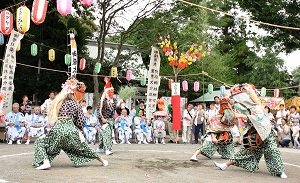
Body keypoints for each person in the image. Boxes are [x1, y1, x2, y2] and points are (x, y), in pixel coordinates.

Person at [32, 77, 108, 170]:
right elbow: (81, 121)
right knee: (84, 147)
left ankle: (46, 161)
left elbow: (52, 120)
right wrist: (78, 129)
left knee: (39, 142)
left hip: (58, 130)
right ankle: (103, 161)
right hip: (71, 130)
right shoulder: (76, 105)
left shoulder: (57, 103)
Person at [214, 83, 287, 179]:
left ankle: (280, 171)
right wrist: (225, 105)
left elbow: (257, 118)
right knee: (244, 151)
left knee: (272, 150)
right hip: (254, 134)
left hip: (266, 134)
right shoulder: (242, 108)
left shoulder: (257, 106)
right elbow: (232, 117)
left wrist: (240, 116)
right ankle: (225, 165)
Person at [190, 95, 235, 162]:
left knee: (229, 144)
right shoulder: (216, 117)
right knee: (207, 145)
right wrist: (213, 137)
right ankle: (194, 156)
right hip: (213, 133)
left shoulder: (229, 114)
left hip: (225, 134)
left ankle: (226, 155)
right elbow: (211, 128)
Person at [96, 77, 117, 155]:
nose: (112, 94)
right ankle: (107, 149)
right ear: (107, 93)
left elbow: (114, 109)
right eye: (111, 92)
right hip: (104, 119)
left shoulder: (114, 100)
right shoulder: (102, 100)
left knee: (106, 133)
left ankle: (100, 148)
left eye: (113, 92)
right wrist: (102, 118)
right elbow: (98, 111)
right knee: (107, 133)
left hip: (111, 119)